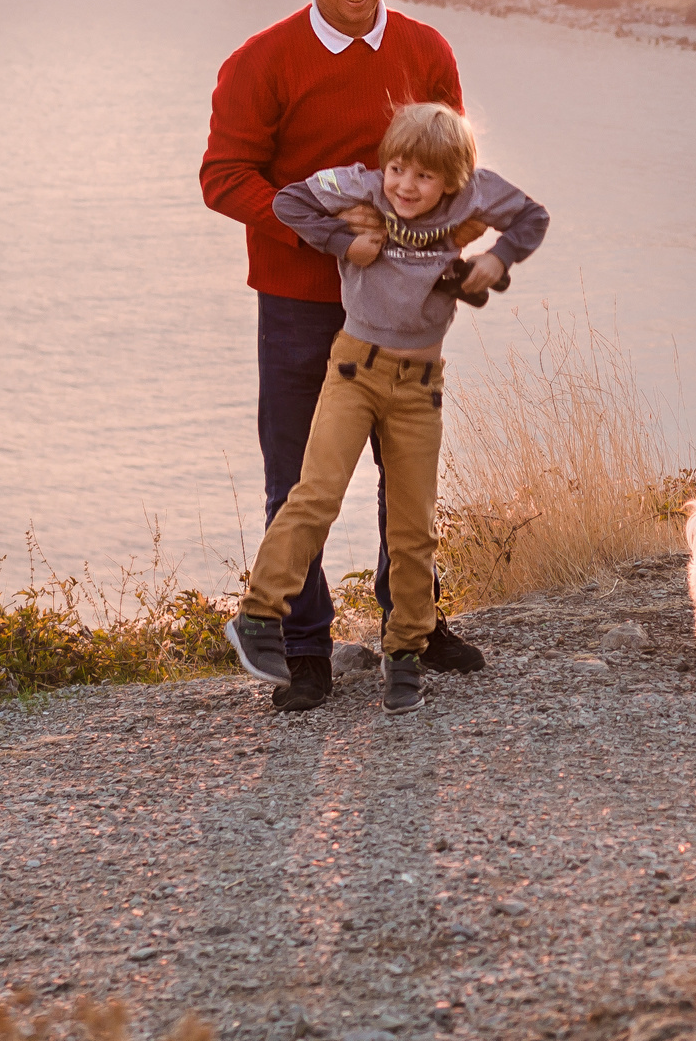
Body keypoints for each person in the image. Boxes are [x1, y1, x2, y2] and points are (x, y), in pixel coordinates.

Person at [201, 0, 464, 712]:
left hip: (400, 309)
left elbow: (452, 167)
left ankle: (412, 630)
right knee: (298, 476)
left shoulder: (426, 49)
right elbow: (224, 177)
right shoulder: (260, 61)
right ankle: (302, 646)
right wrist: (321, 233)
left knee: (407, 474)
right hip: (297, 303)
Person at [227, 102, 547, 714]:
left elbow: (531, 216)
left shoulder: (472, 196)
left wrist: (496, 260)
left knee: (412, 525)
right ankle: (258, 616)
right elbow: (289, 202)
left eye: (423, 177)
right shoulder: (361, 185)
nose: (405, 185)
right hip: (353, 371)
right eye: (397, 168)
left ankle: (403, 652)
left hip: (420, 387)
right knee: (315, 494)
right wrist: (344, 241)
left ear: (452, 181)